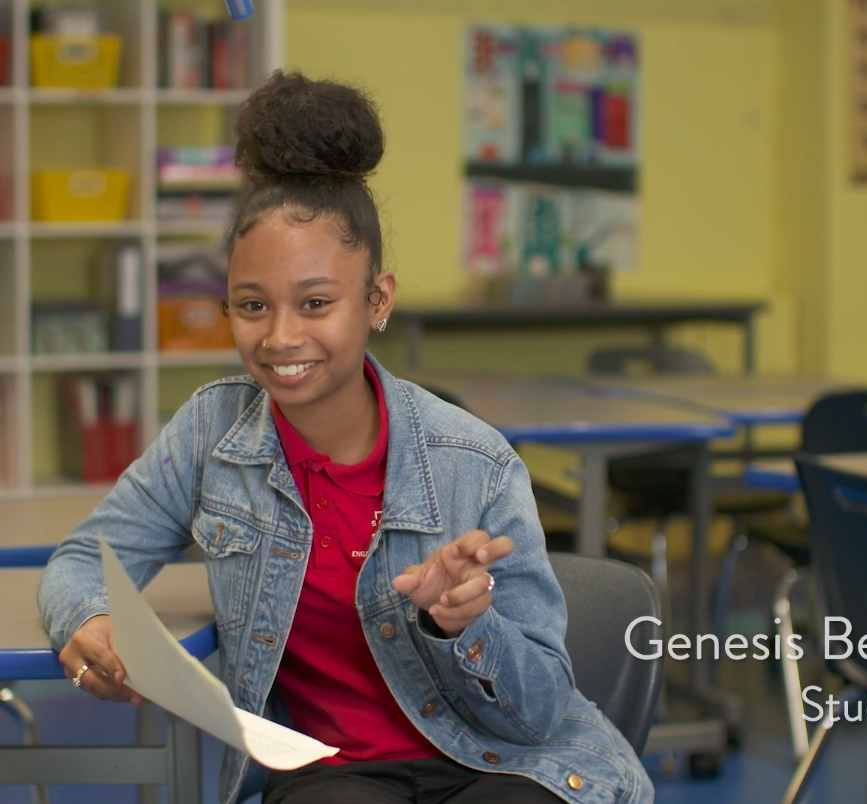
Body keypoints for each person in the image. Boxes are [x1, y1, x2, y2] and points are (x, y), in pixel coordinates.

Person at [37, 70, 654, 804]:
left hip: (498, 762)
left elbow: (541, 710)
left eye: (317, 302)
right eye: (251, 305)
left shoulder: (476, 464)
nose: (281, 335)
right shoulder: (211, 432)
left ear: (378, 300)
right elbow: (85, 558)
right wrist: (88, 623)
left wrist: (465, 625)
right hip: (338, 773)